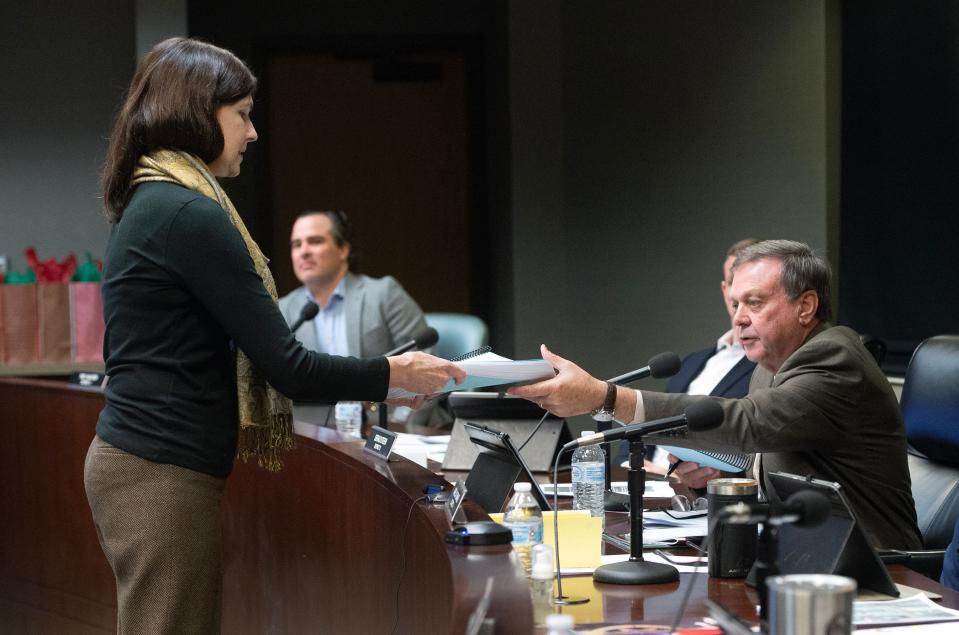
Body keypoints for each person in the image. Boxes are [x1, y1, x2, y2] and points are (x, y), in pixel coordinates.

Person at [84, 37, 464, 634]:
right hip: (157, 471)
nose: (253, 132)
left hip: (147, 462)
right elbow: (288, 367)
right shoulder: (188, 213)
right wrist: (394, 375)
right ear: (198, 115)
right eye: (242, 115)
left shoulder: (157, 198)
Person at [512, 240, 921, 550]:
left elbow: (752, 424)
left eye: (755, 303)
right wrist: (716, 477)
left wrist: (606, 398)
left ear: (806, 306)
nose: (739, 318)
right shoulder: (770, 367)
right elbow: (775, 457)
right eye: (735, 303)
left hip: (876, 565)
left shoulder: (835, 358)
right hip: (797, 553)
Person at [634, 238, 758, 473]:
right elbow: (650, 425)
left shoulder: (767, 366)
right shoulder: (692, 361)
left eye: (750, 286)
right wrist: (628, 462)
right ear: (725, 289)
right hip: (648, 485)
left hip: (698, 494)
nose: (739, 296)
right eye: (734, 283)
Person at [278, 209, 428, 358]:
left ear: (343, 250)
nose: (304, 252)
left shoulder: (383, 294)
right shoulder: (282, 310)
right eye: (296, 245)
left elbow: (425, 360)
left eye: (315, 241)